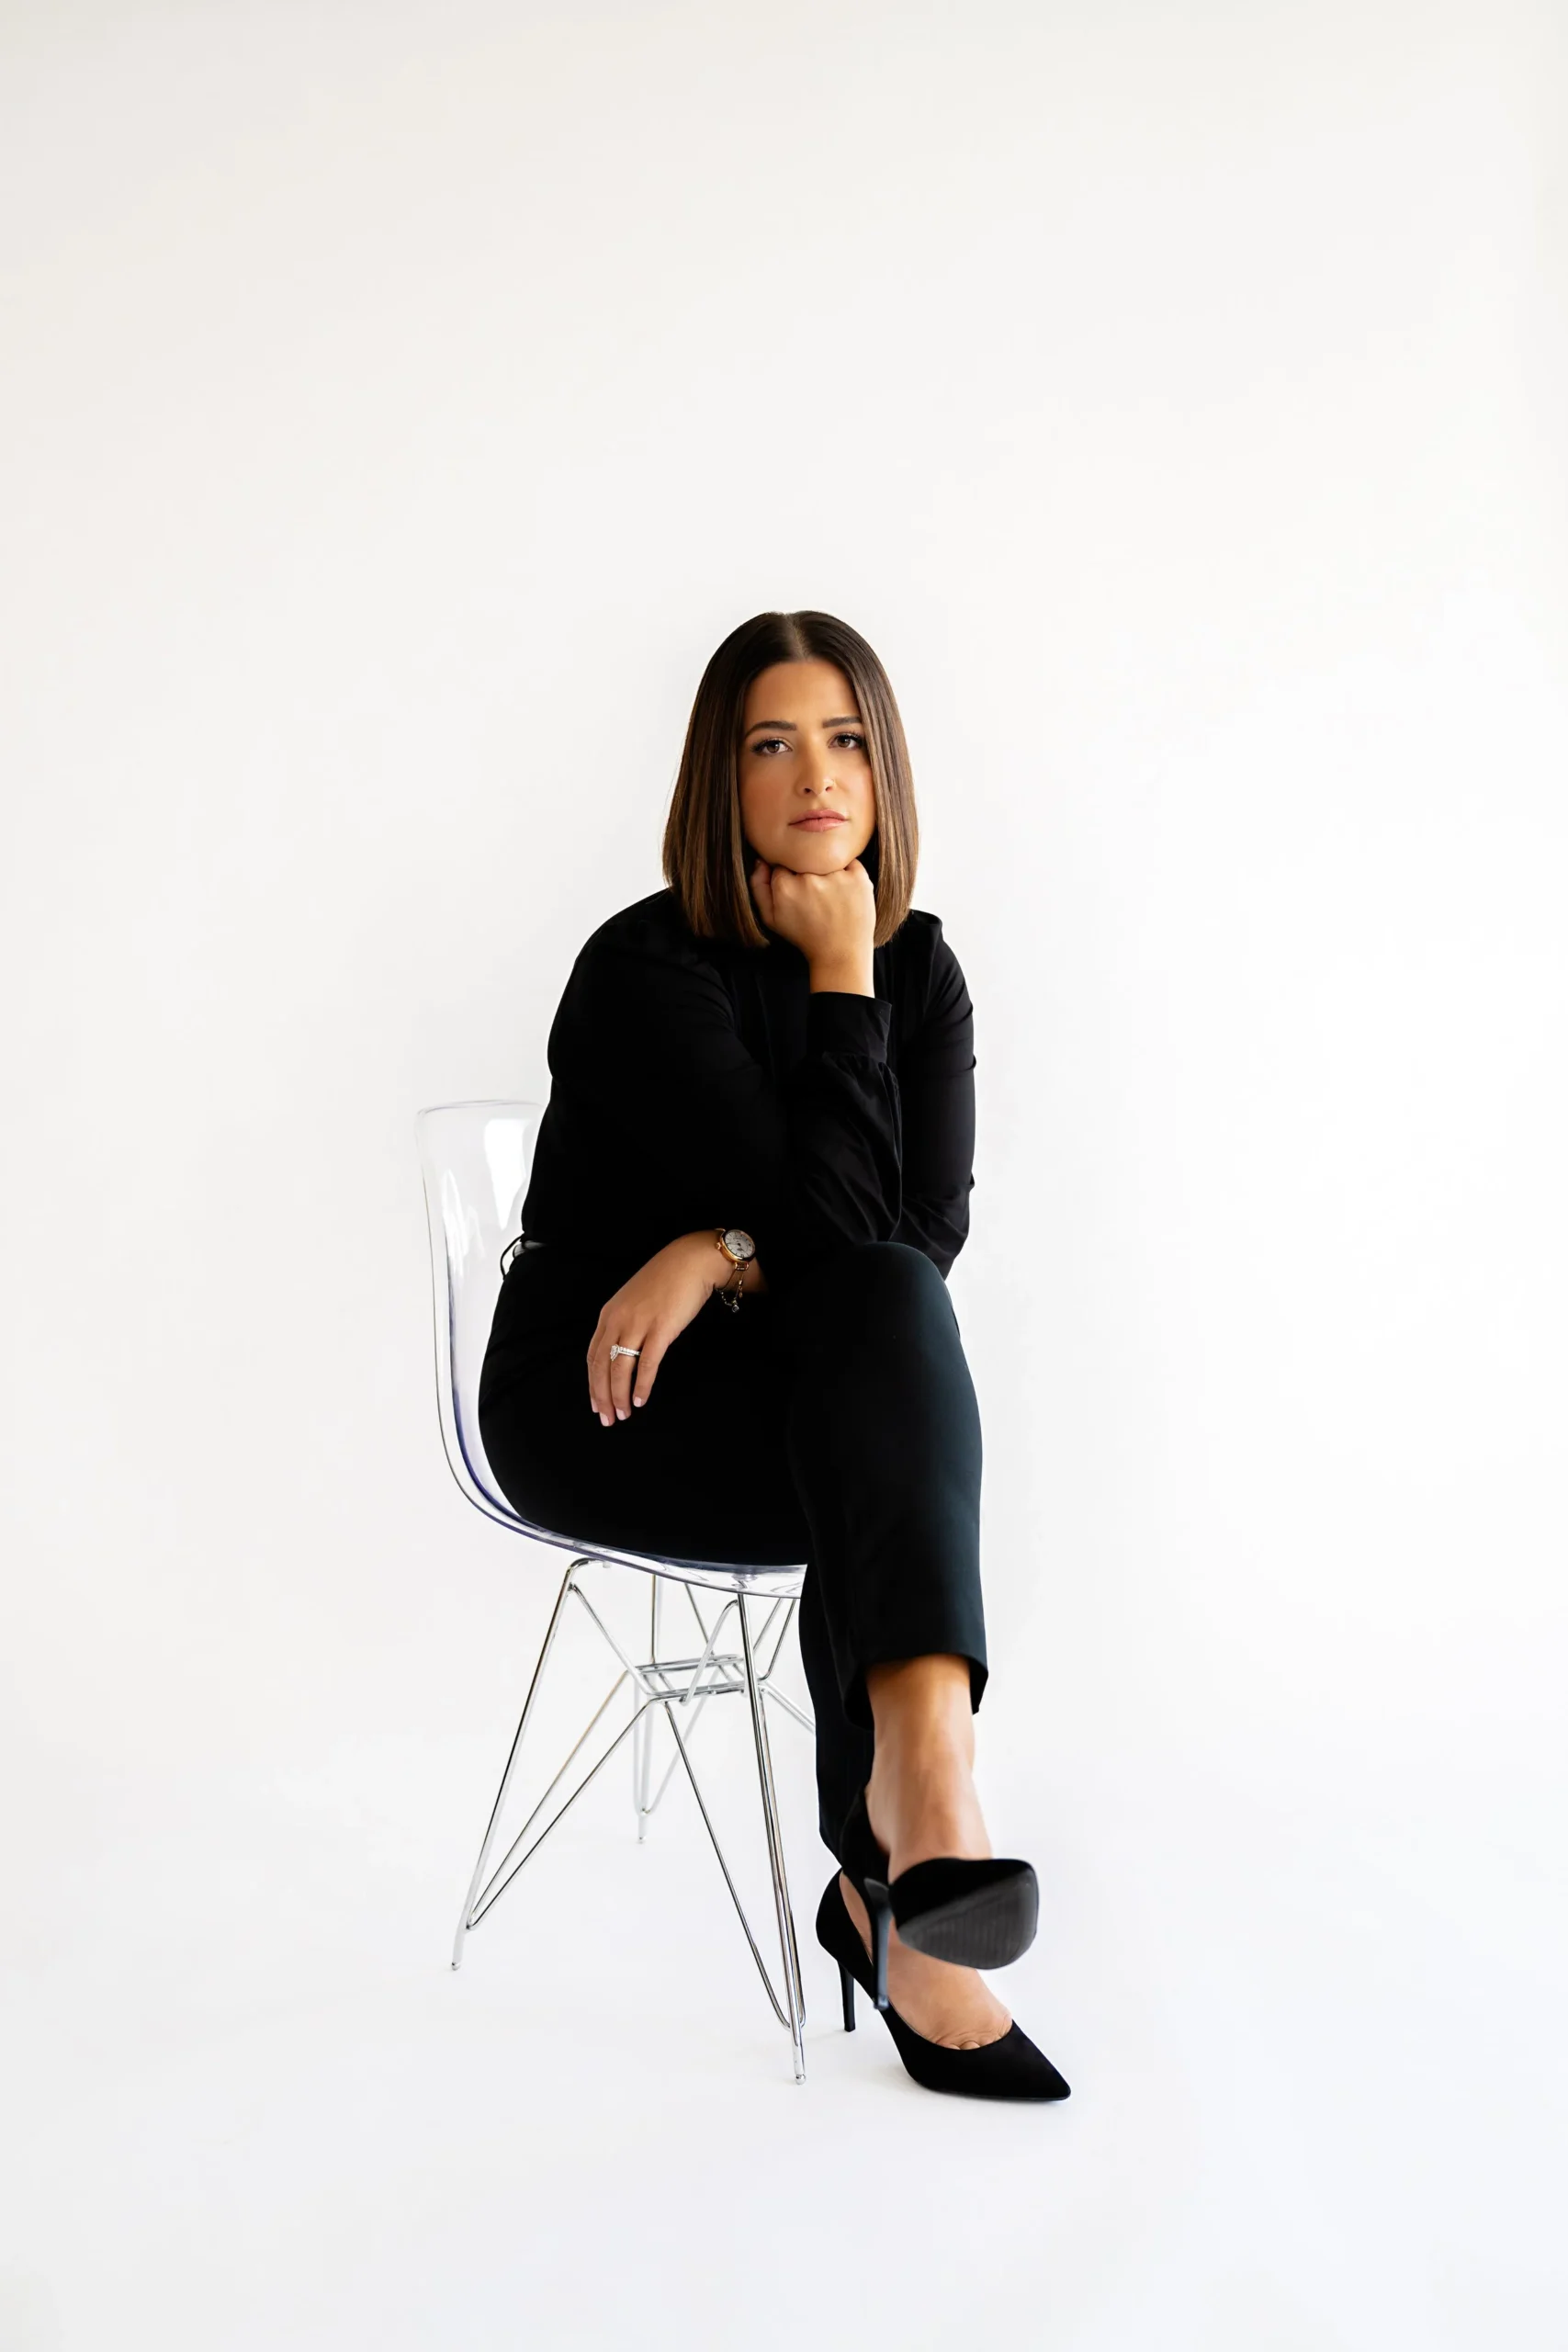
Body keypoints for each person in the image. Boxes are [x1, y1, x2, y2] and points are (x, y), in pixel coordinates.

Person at [478, 609, 1069, 2101]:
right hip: (606, 1399)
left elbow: (915, 1239)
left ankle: (921, 1803)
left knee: (885, 1327)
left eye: (847, 739)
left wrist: (718, 1252)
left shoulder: (922, 968)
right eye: (771, 744)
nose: (817, 775)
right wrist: (836, 980)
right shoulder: (644, 968)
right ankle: (902, 1864)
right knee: (873, 1406)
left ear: (886, 768)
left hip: (803, 1392)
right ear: (719, 780)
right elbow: (838, 1228)